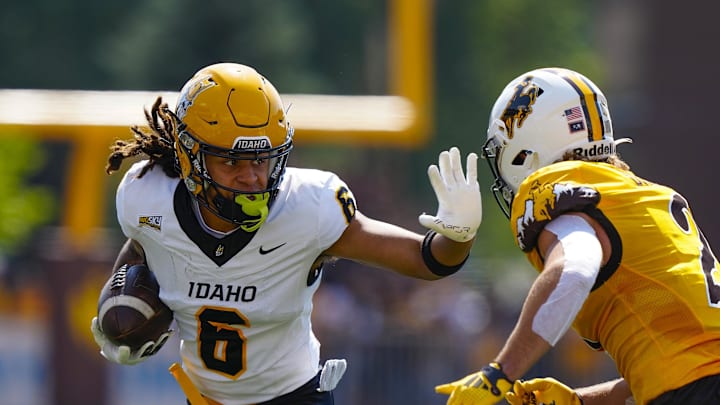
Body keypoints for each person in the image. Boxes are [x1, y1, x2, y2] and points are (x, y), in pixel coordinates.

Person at [88, 62, 483, 405]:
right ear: (190, 157)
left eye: (263, 158)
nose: (252, 176)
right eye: (232, 160)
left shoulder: (307, 209)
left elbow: (425, 260)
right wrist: (122, 303)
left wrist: (459, 235)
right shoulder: (146, 198)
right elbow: (145, 245)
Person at [434, 67, 720, 405]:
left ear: (525, 149)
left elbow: (575, 269)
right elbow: (682, 364)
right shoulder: (645, 197)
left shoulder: (557, 189)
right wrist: (580, 401)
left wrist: (500, 372)